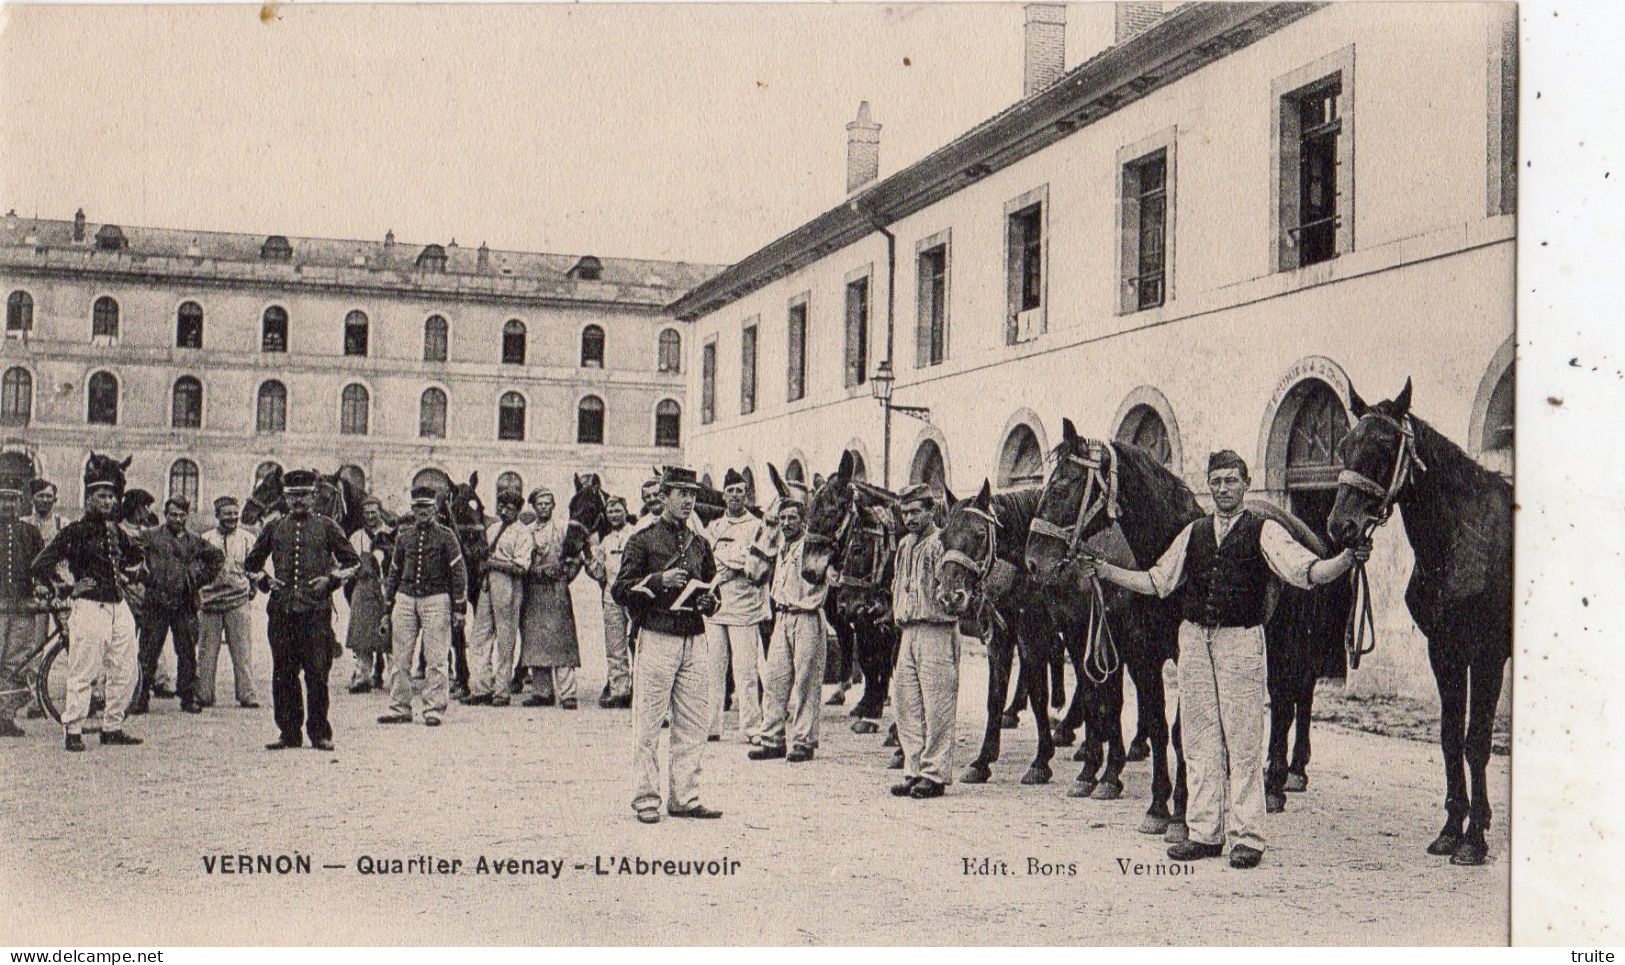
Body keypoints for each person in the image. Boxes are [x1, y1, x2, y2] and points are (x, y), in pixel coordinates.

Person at [1079, 450, 1370, 869]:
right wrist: (1106, 571)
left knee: (1243, 740)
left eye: (1231, 481)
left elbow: (1304, 571)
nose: (1223, 489)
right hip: (1194, 640)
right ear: (1209, 486)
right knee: (1198, 741)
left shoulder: (1264, 531)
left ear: (1245, 483)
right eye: (1216, 481)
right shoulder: (1194, 533)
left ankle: (1248, 836)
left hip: (1240, 642)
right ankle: (1204, 832)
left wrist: (1346, 559)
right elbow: (1157, 581)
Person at [612, 466, 721, 824]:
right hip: (657, 635)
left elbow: (713, 591)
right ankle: (646, 798)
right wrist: (658, 580)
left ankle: (685, 797)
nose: (688, 501)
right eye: (681, 494)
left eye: (692, 494)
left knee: (692, 721)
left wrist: (710, 602)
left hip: (694, 636)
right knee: (648, 722)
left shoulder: (701, 545)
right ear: (663, 497)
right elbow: (621, 589)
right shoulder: (641, 541)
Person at [29, 460, 148, 752]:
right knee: (83, 670)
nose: (107, 501)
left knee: (126, 667)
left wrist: (134, 572)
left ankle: (113, 726)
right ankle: (73, 730)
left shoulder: (116, 531)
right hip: (89, 607)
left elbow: (136, 557)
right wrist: (68, 587)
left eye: (110, 496)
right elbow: (40, 564)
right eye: (101, 496)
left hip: (118, 606)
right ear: (89, 499)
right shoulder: (75, 531)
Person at [244, 469, 361, 751]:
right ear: (285, 498)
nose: (299, 502)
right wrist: (266, 581)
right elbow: (250, 564)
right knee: (283, 673)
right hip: (282, 612)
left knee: (317, 674)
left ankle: (319, 732)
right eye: (293, 496)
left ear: (313, 497)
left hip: (315, 613)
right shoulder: (273, 528)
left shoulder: (328, 526)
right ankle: (288, 733)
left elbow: (353, 562)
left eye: (304, 496)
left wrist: (330, 580)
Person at [888, 484, 960, 800]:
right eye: (905, 512)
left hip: (936, 629)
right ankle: (913, 768)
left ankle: (935, 773)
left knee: (937, 705)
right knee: (906, 704)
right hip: (909, 630)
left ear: (931, 511)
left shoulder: (941, 543)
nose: (910, 518)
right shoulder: (905, 544)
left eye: (916, 511)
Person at [749, 486, 829, 762]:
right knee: (775, 678)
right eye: (783, 519)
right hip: (782, 615)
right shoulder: (780, 546)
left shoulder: (812, 545)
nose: (786, 523)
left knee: (806, 681)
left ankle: (804, 741)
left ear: (802, 520)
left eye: (791, 518)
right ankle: (772, 738)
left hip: (806, 615)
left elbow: (824, 576)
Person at [378, 486, 468, 727]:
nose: (422, 512)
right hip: (405, 599)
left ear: (436, 509)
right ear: (412, 509)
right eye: (418, 507)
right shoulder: (404, 537)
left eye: (427, 507)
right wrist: (387, 608)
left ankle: (434, 709)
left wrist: (459, 608)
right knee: (400, 656)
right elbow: (393, 572)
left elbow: (459, 573)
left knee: (436, 657)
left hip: (436, 599)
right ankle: (399, 707)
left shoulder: (447, 537)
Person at [134, 497, 223, 715]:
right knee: (148, 652)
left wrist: (197, 579)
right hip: (156, 602)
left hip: (184, 603)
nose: (178, 519)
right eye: (173, 514)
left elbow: (217, 558)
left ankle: (188, 696)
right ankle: (140, 697)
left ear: (187, 516)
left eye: (182, 515)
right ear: (166, 514)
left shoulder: (194, 541)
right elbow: (132, 553)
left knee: (186, 651)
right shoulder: (150, 536)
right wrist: (145, 577)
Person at [703, 469, 772, 742]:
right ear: (723, 495)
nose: (735, 496)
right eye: (730, 491)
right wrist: (730, 562)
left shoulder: (757, 526)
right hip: (717, 605)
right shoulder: (714, 527)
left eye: (740, 491)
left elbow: (753, 561)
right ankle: (711, 725)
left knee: (745, 671)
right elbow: (708, 558)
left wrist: (728, 562)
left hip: (745, 606)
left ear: (747, 495)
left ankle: (751, 727)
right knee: (713, 668)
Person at [464, 489, 532, 707]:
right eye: (501, 507)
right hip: (487, 583)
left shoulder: (523, 533)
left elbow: (521, 567)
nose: (505, 511)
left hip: (509, 583)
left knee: (505, 636)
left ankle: (501, 690)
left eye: (510, 508)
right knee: (479, 635)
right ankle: (480, 688)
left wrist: (492, 563)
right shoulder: (492, 529)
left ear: (518, 510)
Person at [519, 487, 582, 709]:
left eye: (547, 503)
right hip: (534, 589)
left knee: (562, 639)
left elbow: (576, 556)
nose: (544, 507)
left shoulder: (563, 528)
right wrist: (533, 573)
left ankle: (568, 694)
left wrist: (565, 576)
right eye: (539, 504)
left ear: (554, 505)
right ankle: (542, 692)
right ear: (533, 507)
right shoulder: (526, 531)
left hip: (557, 590)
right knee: (536, 639)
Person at [197, 496, 260, 709]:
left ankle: (247, 694)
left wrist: (253, 588)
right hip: (210, 603)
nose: (232, 518)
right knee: (207, 651)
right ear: (217, 516)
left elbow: (254, 567)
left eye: (235, 513)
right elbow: (197, 570)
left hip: (238, 600)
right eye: (227, 514)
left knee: (242, 651)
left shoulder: (247, 539)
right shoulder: (205, 539)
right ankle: (204, 694)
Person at [0, 474, 44, 738]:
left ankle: (5, 716)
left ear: (20, 502)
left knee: (16, 662)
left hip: (23, 606)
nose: (7, 505)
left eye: (12, 500)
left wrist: (47, 585)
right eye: (2, 499)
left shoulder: (31, 532)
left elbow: (41, 565)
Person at [584, 494, 634, 708]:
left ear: (625, 511)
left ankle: (640, 689)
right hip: (612, 596)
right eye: (610, 512)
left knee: (637, 642)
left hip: (634, 596)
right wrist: (588, 556)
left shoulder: (636, 533)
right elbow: (597, 572)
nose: (614, 515)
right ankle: (619, 690)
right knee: (615, 645)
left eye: (618, 510)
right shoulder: (606, 540)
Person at [344, 497, 394, 693]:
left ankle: (393, 678)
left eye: (374, 512)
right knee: (361, 636)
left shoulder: (391, 534)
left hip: (385, 587)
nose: (370, 516)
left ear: (380, 511)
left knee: (389, 635)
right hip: (363, 587)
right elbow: (347, 562)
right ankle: (362, 676)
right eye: (367, 513)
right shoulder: (357, 537)